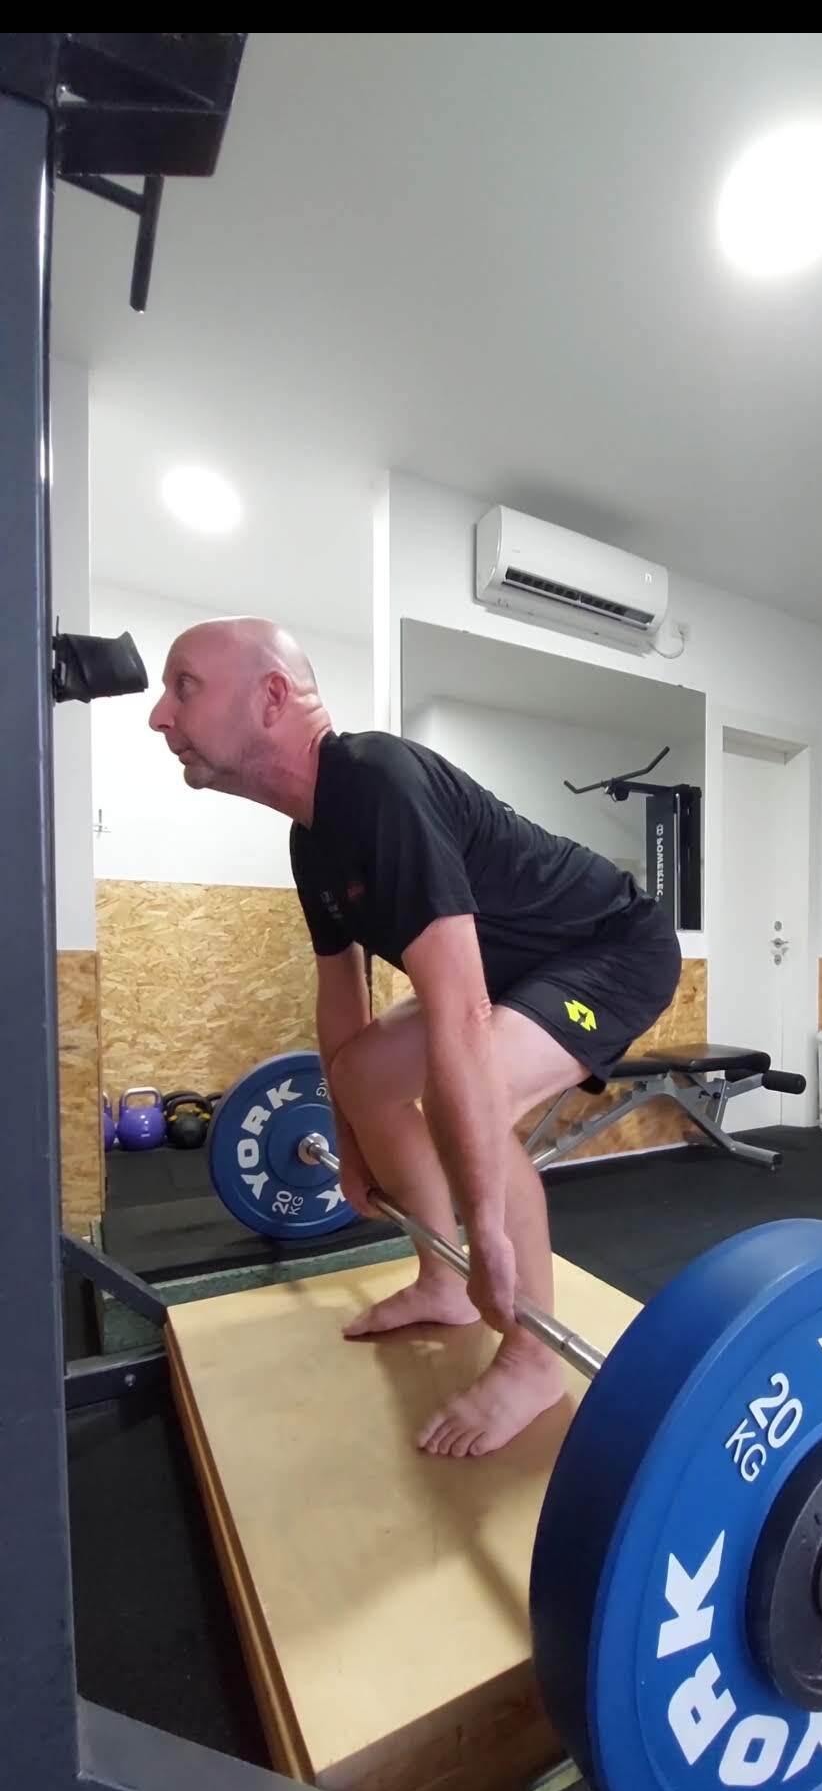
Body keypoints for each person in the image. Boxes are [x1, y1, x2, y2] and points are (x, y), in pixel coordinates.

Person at [150, 617, 681, 1457]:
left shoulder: (380, 784)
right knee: (365, 1074)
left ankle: (533, 1360)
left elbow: (461, 1019)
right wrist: (350, 1140)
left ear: (273, 697)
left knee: (475, 1086)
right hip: (508, 972)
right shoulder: (311, 839)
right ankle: (444, 1283)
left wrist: (487, 1228)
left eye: (184, 687)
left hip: (610, 952)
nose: (159, 715)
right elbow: (342, 1001)